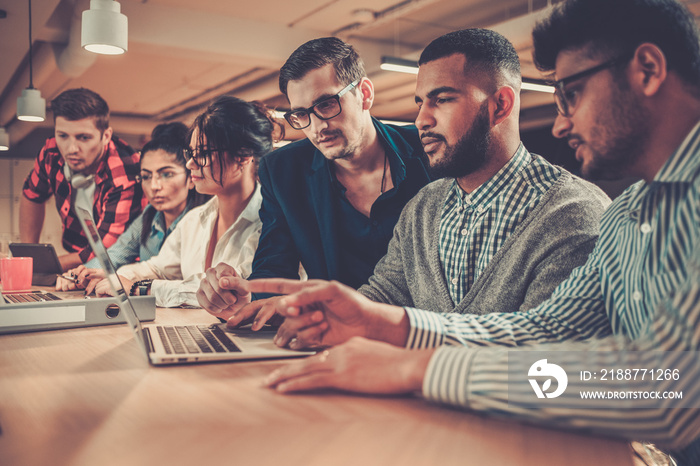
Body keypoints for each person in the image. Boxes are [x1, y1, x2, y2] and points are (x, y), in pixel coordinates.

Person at [249, 0, 700, 462]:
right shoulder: (631, 213)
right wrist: (386, 321)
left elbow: (669, 390)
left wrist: (418, 368)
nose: (562, 121)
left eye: (571, 92)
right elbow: (542, 329)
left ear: (647, 69)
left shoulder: (585, 211)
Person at [195, 37, 431, 329]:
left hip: (426, 335)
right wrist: (243, 297)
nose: (318, 127)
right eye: (302, 114)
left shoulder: (428, 150)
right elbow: (274, 266)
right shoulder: (283, 172)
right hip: (335, 338)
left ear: (364, 94)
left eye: (327, 104)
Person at [93, 96, 277, 308]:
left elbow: (228, 294)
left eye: (204, 153)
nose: (190, 163)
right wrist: (116, 279)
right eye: (191, 153)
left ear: (243, 156)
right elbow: (156, 268)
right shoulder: (195, 219)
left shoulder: (271, 222)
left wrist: (140, 288)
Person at [55, 122, 210, 293]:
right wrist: (82, 274)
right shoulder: (149, 215)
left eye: (167, 174)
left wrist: (128, 281)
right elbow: (115, 254)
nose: (154, 186)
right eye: (146, 176)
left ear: (191, 178)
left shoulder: (203, 221)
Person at [20, 88, 145, 271]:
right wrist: (29, 256)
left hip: (117, 267)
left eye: (84, 138)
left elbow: (106, 249)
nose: (71, 149)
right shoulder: (51, 152)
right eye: (62, 136)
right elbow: (32, 195)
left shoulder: (124, 174)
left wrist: (42, 267)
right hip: (76, 254)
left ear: (106, 136)